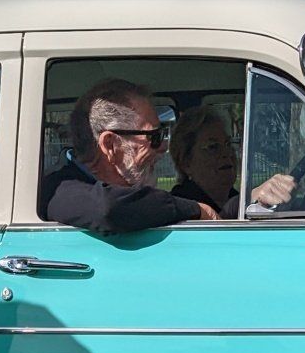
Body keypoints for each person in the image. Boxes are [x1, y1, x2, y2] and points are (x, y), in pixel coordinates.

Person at [39, 78, 218, 235]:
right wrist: (198, 210)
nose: (164, 147)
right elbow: (109, 209)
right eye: (154, 137)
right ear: (110, 145)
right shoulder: (57, 187)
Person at [168, 107, 297, 220]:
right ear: (186, 163)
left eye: (228, 144)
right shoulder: (180, 207)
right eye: (213, 147)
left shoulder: (232, 196)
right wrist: (248, 199)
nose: (227, 153)